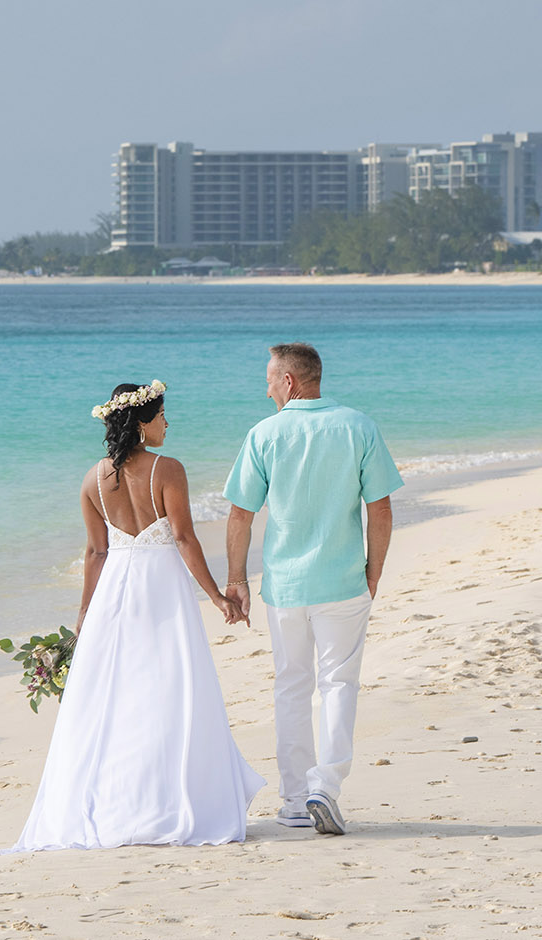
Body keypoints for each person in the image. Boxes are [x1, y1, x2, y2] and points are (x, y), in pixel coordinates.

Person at [3, 380, 264, 852]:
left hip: (113, 597)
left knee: (117, 697)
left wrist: (83, 616)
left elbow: (95, 552)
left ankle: (118, 804)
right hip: (161, 589)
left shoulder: (91, 480)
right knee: (171, 689)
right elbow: (184, 538)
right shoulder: (169, 469)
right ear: (143, 422)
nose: (168, 423)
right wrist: (216, 597)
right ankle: (171, 801)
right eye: (163, 415)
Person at [223, 343, 403, 836]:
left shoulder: (264, 433)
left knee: (292, 686)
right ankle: (327, 784)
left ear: (289, 382)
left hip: (285, 585)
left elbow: (241, 514)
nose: (266, 388)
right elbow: (381, 509)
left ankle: (297, 800)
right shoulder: (358, 426)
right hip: (343, 578)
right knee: (339, 683)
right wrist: (374, 570)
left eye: (268, 379)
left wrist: (236, 579)